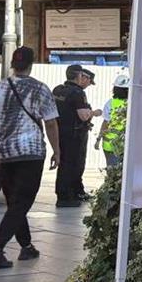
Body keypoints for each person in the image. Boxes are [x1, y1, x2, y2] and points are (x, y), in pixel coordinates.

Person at [0, 47, 61, 269]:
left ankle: (26, 247)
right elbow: (51, 123)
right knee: (21, 203)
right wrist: (57, 150)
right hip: (31, 152)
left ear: (13, 64)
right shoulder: (40, 89)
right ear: (31, 64)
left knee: (15, 202)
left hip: (5, 153)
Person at [52, 65, 96, 206]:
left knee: (64, 163)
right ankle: (66, 197)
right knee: (73, 164)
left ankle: (71, 192)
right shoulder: (77, 93)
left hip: (59, 132)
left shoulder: (58, 90)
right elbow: (83, 116)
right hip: (74, 134)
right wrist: (94, 112)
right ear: (79, 76)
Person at [95, 74, 129, 168]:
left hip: (109, 145)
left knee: (112, 173)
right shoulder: (131, 104)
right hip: (124, 146)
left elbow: (105, 124)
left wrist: (98, 139)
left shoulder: (110, 103)